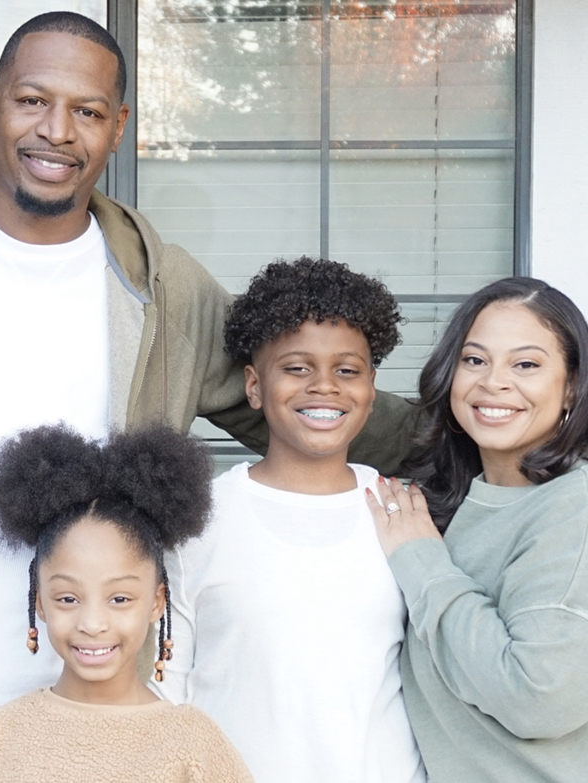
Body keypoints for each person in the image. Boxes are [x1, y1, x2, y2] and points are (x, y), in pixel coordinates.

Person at [0, 12, 416, 781]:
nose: (57, 131)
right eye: (33, 101)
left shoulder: (166, 289)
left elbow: (303, 397)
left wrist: (499, 426)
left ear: (118, 127)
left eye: (88, 112)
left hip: (91, 707)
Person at [157, 258, 426, 783]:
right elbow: (168, 690)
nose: (323, 386)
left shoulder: (401, 511)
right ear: (254, 387)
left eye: (347, 370)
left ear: (371, 391)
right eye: (297, 368)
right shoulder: (199, 520)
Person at [367, 277, 588, 782]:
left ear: (572, 383)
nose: (494, 383)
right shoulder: (449, 501)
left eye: (526, 364)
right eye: (475, 360)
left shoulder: (574, 508)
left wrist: (424, 563)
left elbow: (540, 699)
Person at [0, 424, 253, 782]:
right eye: (68, 598)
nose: (92, 623)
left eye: (119, 598)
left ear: (156, 602)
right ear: (39, 602)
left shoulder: (193, 743)